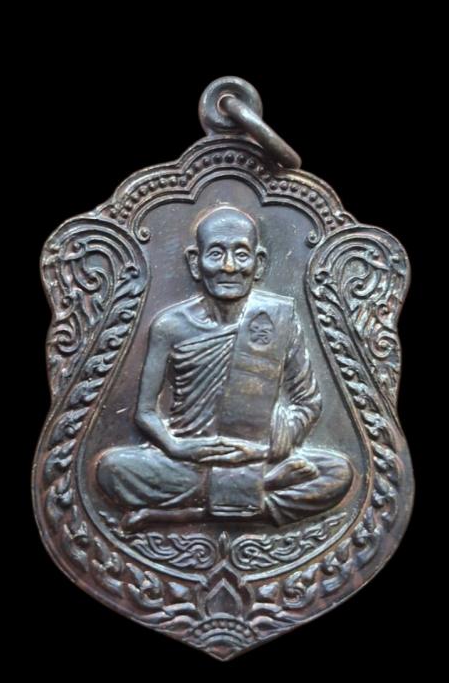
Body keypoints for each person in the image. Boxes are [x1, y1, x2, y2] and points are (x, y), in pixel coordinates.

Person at [96, 205, 353, 528]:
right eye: (216, 254)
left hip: (257, 456)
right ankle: (262, 490)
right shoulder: (170, 326)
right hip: (191, 459)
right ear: (196, 262)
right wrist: (178, 447)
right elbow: (145, 412)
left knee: (338, 473)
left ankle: (193, 511)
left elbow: (308, 401)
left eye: (241, 255)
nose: (229, 267)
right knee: (112, 470)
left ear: (259, 264)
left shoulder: (280, 319)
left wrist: (268, 446)